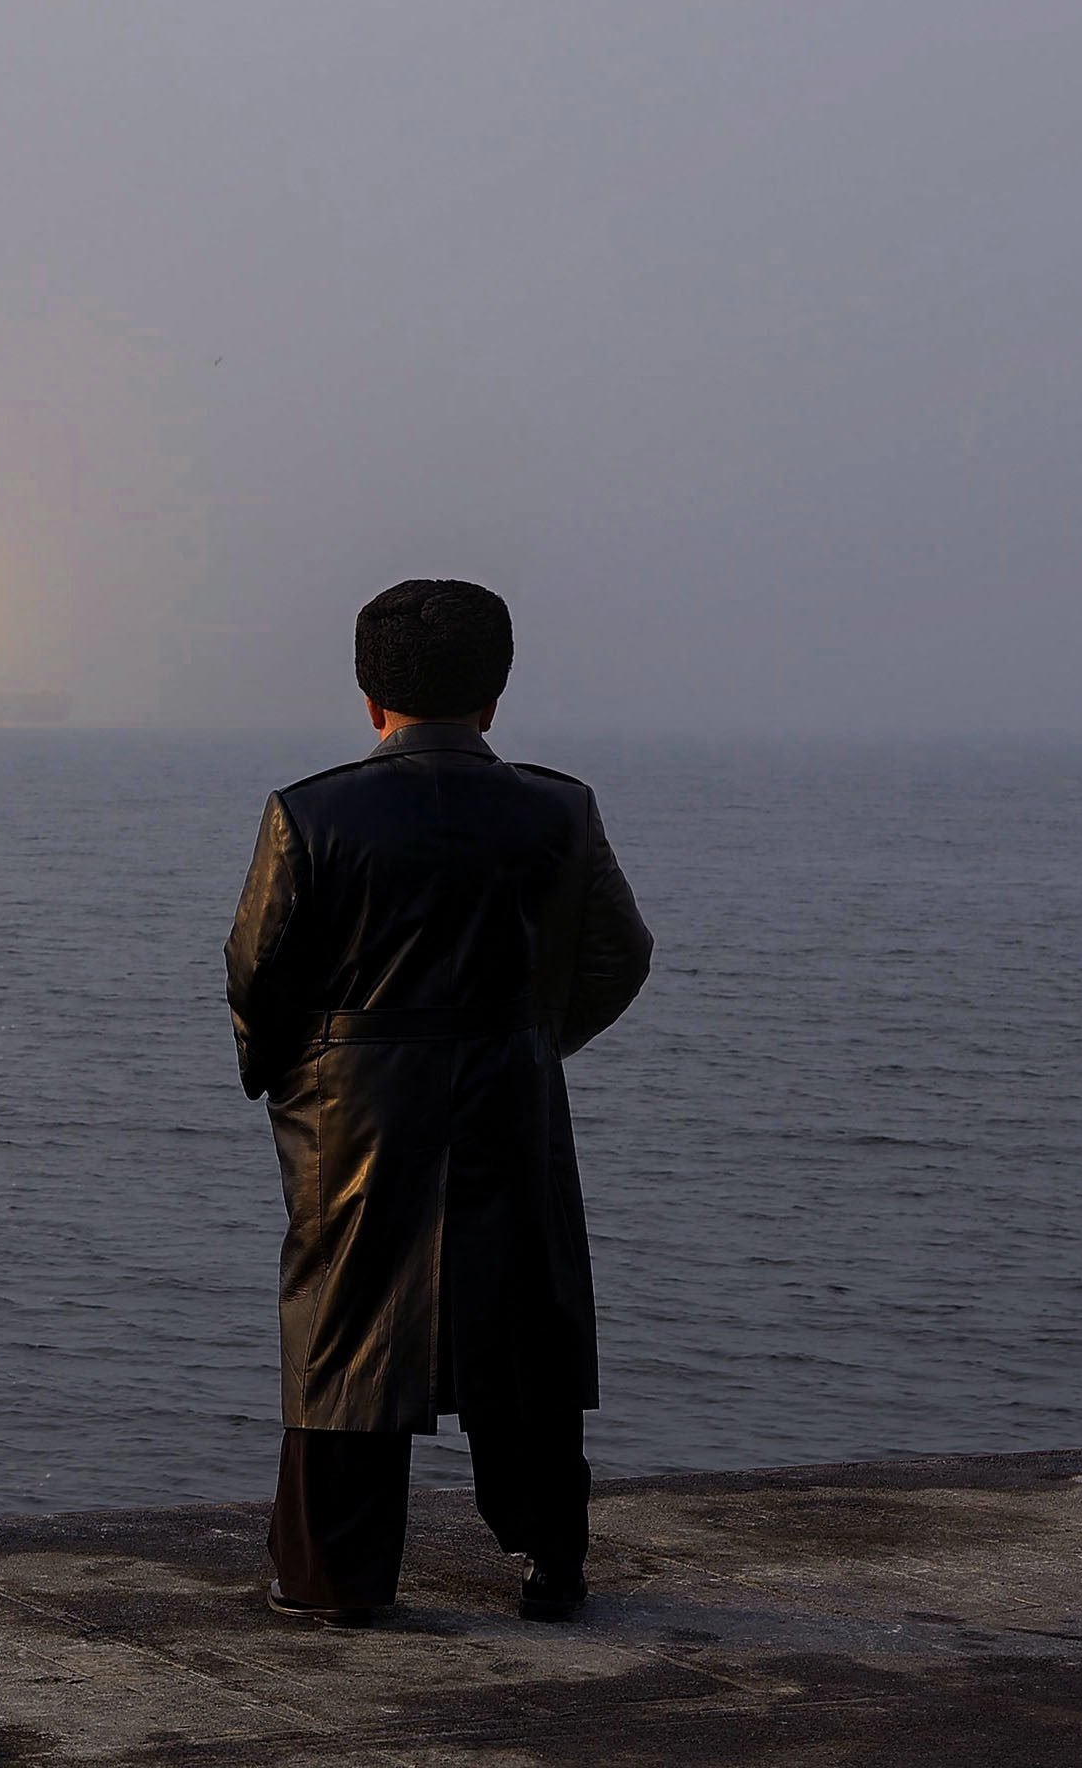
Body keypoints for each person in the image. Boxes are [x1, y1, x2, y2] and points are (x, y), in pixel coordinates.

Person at [224, 578, 652, 1624]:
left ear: (371, 698)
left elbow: (257, 975)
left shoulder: (309, 812)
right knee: (526, 1323)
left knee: (345, 1329)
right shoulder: (559, 808)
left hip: (356, 1106)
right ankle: (551, 1560)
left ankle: (334, 1580)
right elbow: (619, 956)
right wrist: (533, 1041)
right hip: (511, 1086)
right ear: (495, 696)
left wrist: (298, 1076)